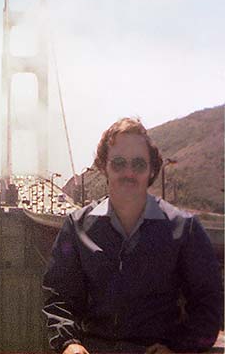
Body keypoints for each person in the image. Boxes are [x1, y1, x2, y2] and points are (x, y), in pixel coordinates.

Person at [42, 118, 223, 354]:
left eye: (138, 164)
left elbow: (209, 302)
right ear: (104, 167)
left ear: (151, 170)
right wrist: (69, 343)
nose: (128, 173)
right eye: (118, 163)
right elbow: (59, 298)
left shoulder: (184, 229)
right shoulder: (77, 228)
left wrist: (179, 348)